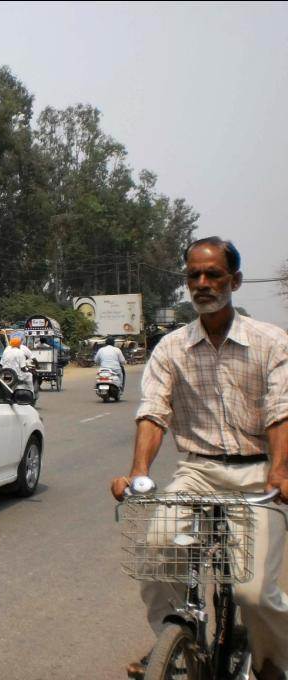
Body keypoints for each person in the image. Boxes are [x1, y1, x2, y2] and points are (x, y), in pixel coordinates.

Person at [110, 237, 288, 680]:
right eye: (194, 275)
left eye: (213, 275)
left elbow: (281, 412)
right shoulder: (170, 348)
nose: (203, 283)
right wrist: (138, 473)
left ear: (235, 281)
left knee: (253, 594)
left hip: (257, 475)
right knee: (155, 549)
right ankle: (176, 632)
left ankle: (272, 662)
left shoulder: (270, 342)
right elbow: (153, 411)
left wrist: (281, 472)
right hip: (198, 471)